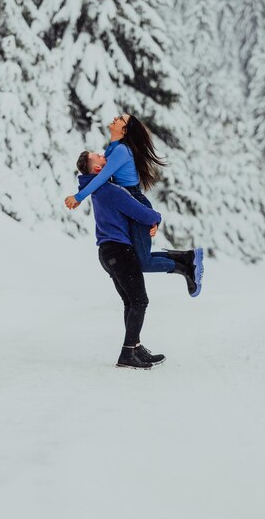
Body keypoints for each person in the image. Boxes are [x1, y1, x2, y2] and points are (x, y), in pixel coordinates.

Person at [65, 114, 203, 297]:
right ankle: (186, 258)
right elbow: (101, 176)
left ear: (124, 130)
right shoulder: (112, 150)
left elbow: (102, 178)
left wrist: (79, 196)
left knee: (143, 262)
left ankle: (185, 268)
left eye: (120, 118)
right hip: (129, 202)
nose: (115, 117)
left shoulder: (122, 150)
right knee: (140, 258)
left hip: (135, 202)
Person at [76, 150, 166, 369]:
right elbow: (141, 212)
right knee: (139, 301)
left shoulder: (99, 189)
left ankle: (134, 347)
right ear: (97, 168)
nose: (101, 154)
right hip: (119, 252)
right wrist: (156, 218)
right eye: (97, 156)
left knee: (131, 301)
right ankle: (127, 353)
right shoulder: (109, 190)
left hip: (109, 253)